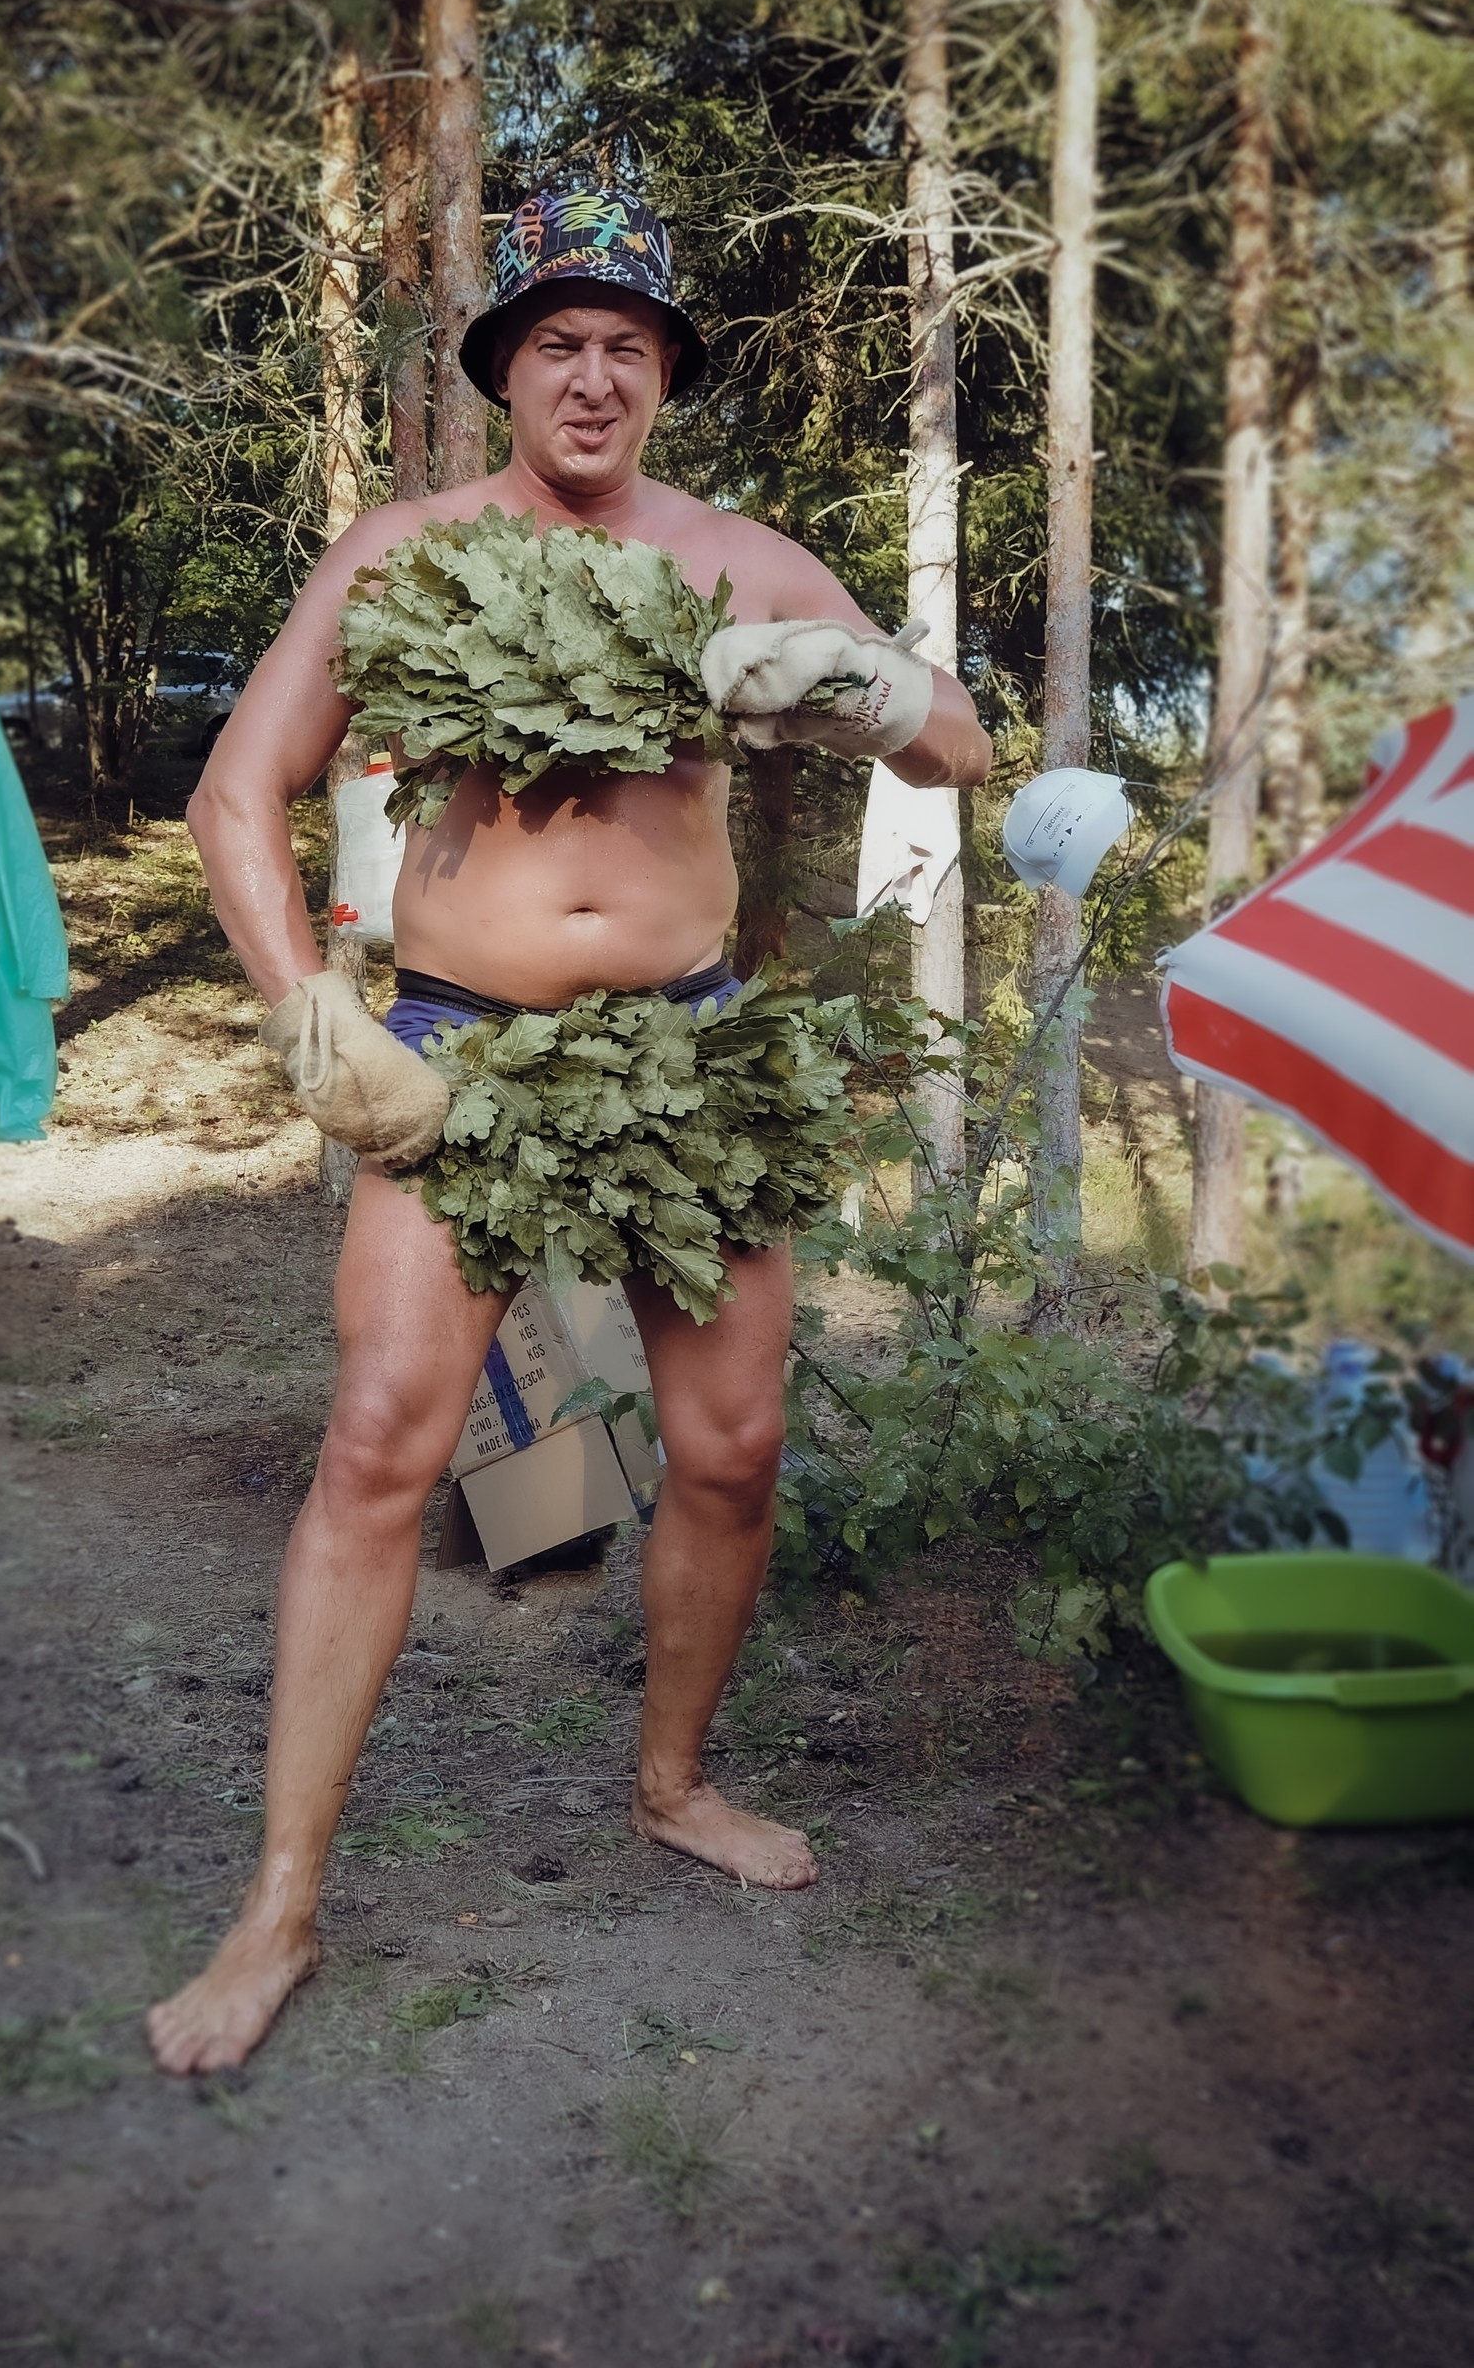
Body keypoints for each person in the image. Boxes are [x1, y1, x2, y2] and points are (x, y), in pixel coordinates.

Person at [148, 187, 992, 2075]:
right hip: (457, 1051)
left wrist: (866, 685)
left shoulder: (742, 560)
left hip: (693, 1055)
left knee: (731, 1449)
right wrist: (312, 1013)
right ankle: (278, 1907)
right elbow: (233, 795)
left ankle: (673, 1787)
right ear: (503, 373)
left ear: (665, 373)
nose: (592, 375)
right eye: (556, 343)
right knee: (379, 1446)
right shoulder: (406, 551)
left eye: (626, 344)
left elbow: (960, 748)